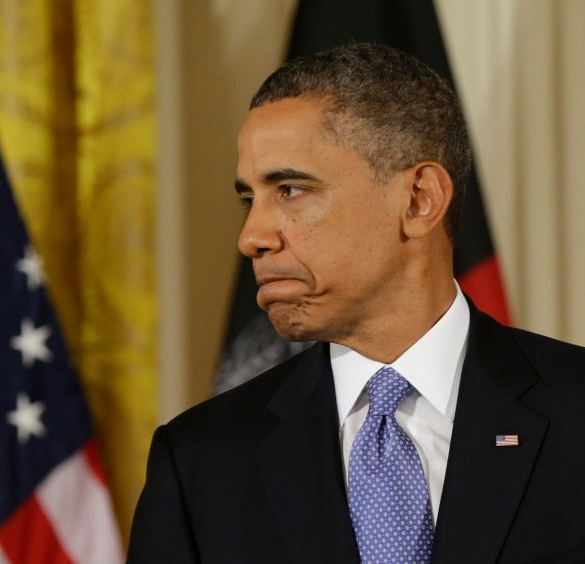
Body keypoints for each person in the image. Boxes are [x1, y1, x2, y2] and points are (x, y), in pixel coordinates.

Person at [127, 43, 585, 563]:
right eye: (248, 200)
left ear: (419, 200)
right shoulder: (200, 461)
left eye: (292, 190)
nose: (251, 236)